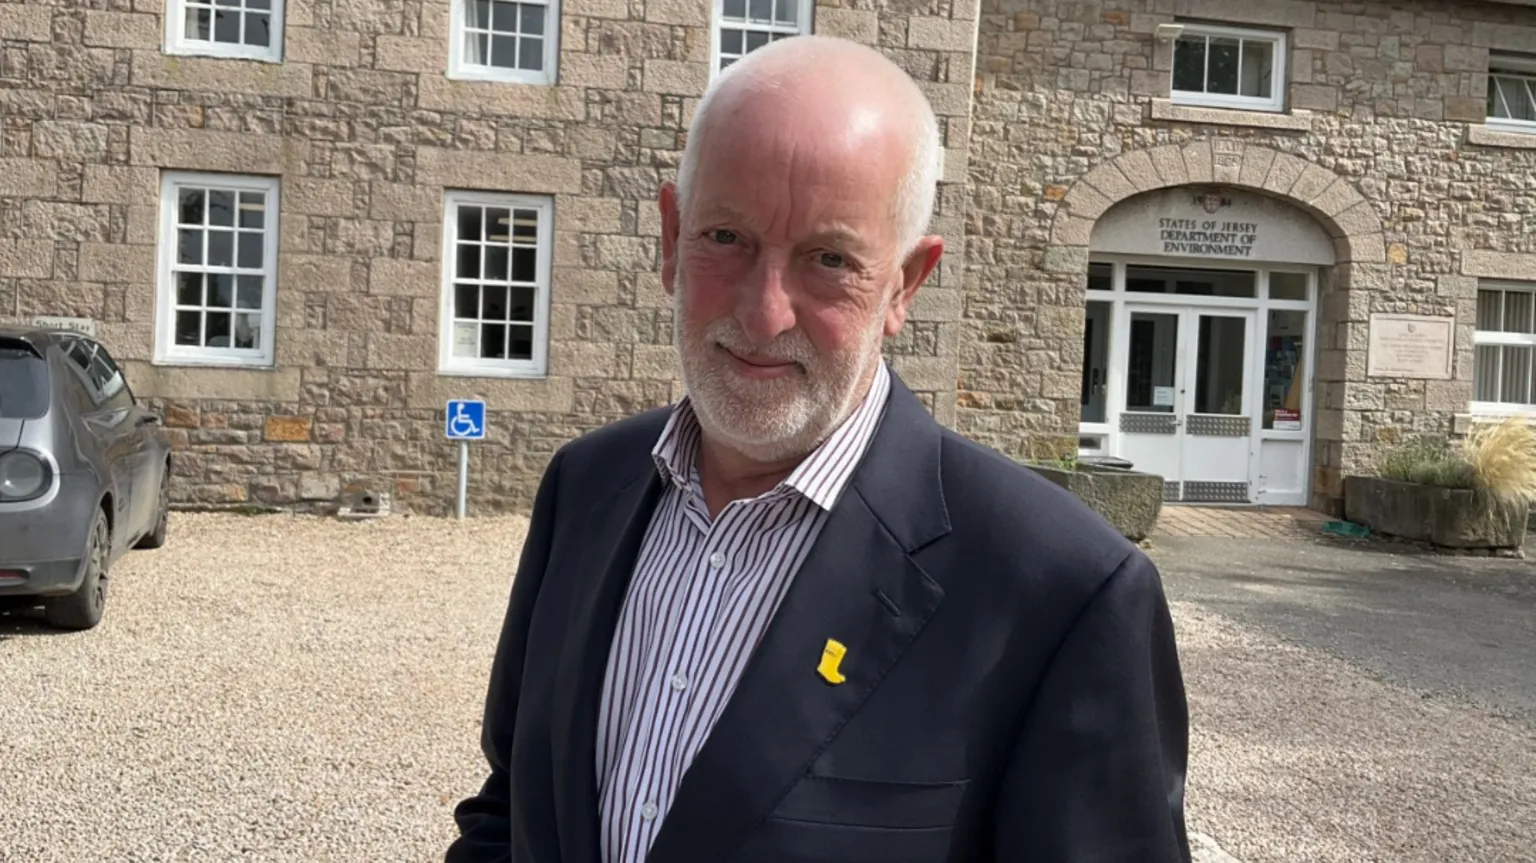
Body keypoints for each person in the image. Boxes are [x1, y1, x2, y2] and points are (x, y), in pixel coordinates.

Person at [446, 34, 1191, 863]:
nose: (764, 313)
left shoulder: (1063, 592)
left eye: (829, 259)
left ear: (905, 284)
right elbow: (511, 810)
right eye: (726, 238)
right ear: (670, 236)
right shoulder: (585, 487)